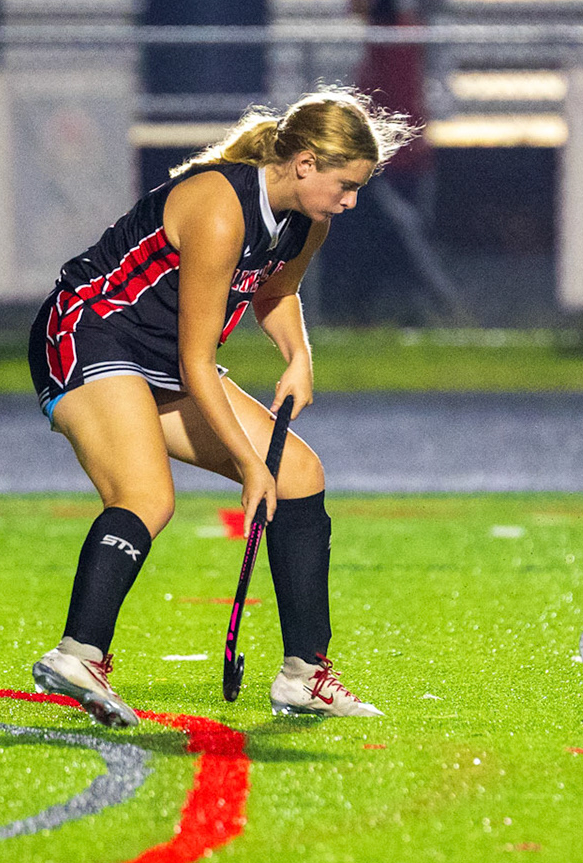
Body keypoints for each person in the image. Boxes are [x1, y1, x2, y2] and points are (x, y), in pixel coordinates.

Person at [28, 90, 413, 726]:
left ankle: (304, 675)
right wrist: (249, 465)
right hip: (90, 333)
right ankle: (78, 654)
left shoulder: (307, 220)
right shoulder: (219, 209)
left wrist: (299, 356)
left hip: (162, 357)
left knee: (299, 475)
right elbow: (196, 362)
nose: (351, 202)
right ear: (305, 164)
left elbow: (276, 292)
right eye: (346, 185)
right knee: (146, 497)